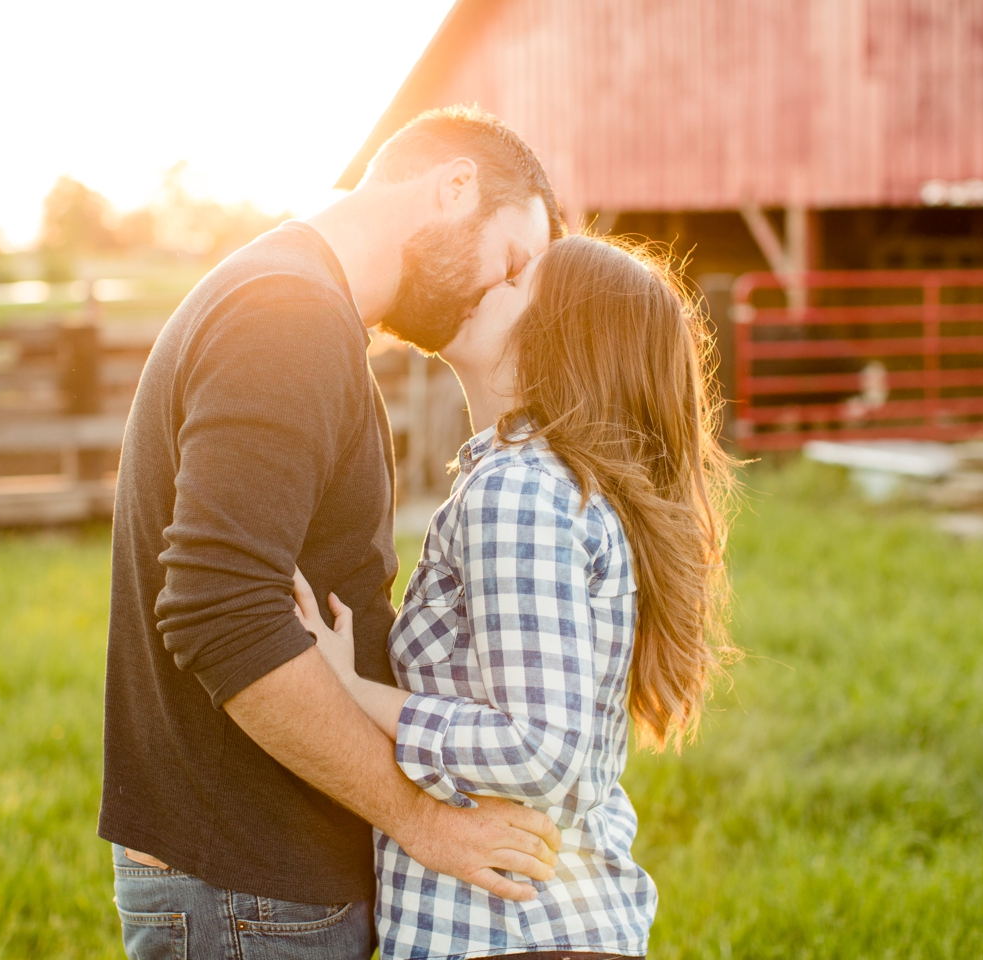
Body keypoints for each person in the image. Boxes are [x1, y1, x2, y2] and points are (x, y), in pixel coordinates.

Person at [99, 106, 569, 960]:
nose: (507, 299)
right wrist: (423, 823)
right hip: (251, 886)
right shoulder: (288, 319)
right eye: (511, 264)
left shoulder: (297, 305)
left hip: (257, 879)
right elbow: (220, 612)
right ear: (454, 185)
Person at [294, 235, 739, 960]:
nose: (489, 278)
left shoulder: (520, 491)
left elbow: (538, 748)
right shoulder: (542, 486)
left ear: (559, 336)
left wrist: (347, 689)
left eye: (515, 279)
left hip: (508, 934)